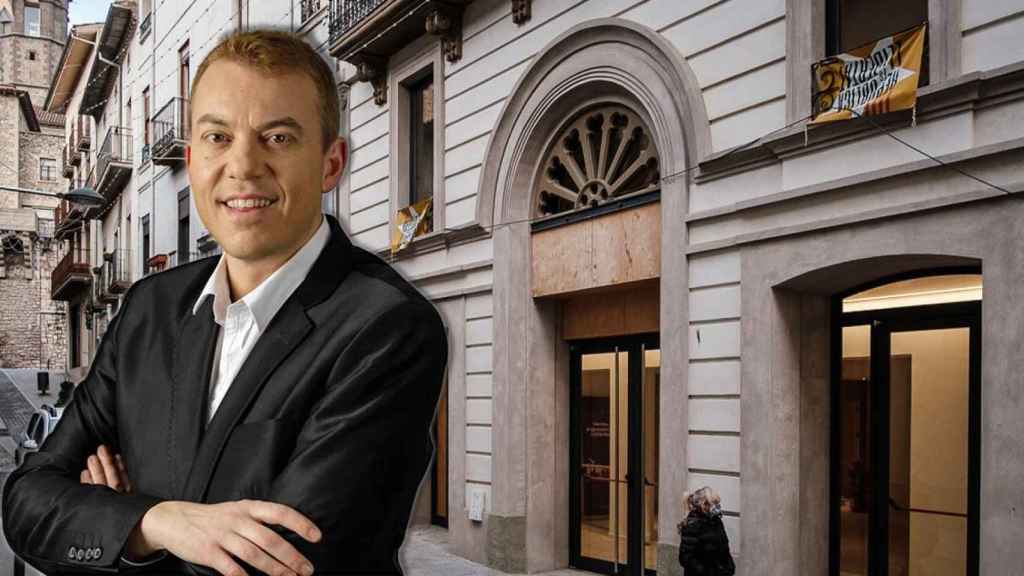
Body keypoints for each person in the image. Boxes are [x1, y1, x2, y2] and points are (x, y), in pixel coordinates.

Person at [2, 29, 448, 576]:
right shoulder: (148, 308)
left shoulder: (389, 328)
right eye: (218, 137)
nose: (243, 166)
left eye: (278, 138)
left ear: (331, 163)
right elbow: (25, 501)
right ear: (191, 159)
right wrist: (157, 523)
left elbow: (283, 564)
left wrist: (111, 515)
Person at [677, 486, 735, 576]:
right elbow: (685, 558)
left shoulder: (716, 521)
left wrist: (729, 567)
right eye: (715, 503)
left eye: (718, 503)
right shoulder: (692, 525)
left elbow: (724, 549)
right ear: (704, 505)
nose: (718, 506)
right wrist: (706, 572)